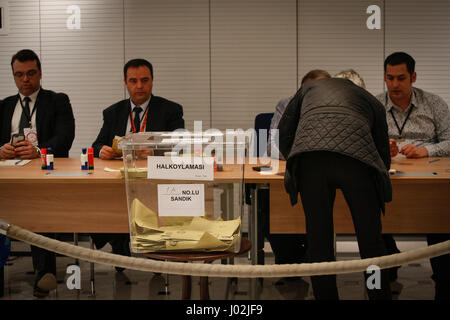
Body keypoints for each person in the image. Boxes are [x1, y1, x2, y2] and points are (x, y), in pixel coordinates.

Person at [278, 70, 392, 300]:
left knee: (319, 243)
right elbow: (383, 156)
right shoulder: (372, 101)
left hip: (311, 162)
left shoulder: (309, 89)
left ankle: (325, 297)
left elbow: (283, 132)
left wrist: (294, 158)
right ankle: (377, 295)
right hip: (356, 163)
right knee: (370, 243)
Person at [91, 58, 185, 266]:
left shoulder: (170, 110)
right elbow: (96, 144)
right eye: (133, 81)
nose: (139, 86)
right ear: (125, 82)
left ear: (152, 81)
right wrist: (101, 150)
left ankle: (154, 251)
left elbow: (180, 144)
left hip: (156, 180)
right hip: (121, 179)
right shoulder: (113, 112)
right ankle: (119, 241)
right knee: (101, 202)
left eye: (144, 80)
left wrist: (155, 150)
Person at [0, 49, 75, 298]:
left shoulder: (57, 101)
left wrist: (38, 151)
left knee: (39, 211)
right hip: (8, 177)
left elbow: (65, 138)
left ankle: (44, 274)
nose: (25, 80)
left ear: (40, 73)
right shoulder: (4, 106)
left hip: (43, 176)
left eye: (31, 73)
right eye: (19, 75)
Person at [377, 52, 450, 300]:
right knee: (375, 215)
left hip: (429, 177)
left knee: (439, 219)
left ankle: (443, 277)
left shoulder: (435, 104)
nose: (395, 85)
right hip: (388, 176)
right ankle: (386, 269)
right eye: (389, 78)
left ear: (413, 77)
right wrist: (381, 148)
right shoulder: (374, 106)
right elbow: (362, 143)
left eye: (401, 78)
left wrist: (425, 150)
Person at [263, 70, 330, 284]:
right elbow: (273, 148)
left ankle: (313, 257)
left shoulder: (336, 108)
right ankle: (290, 261)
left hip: (323, 177)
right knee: (266, 202)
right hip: (287, 175)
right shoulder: (286, 105)